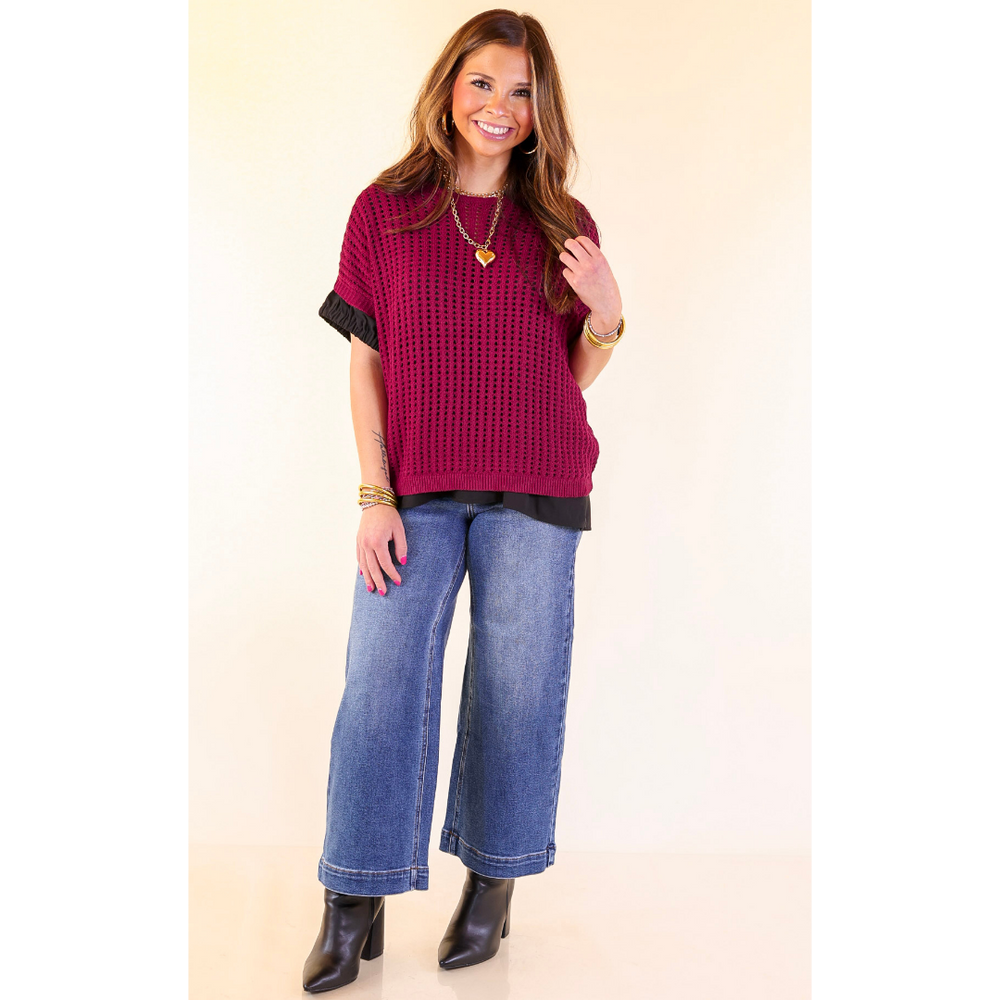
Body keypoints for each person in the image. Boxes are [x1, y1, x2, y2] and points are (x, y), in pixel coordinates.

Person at [304, 9, 625, 992]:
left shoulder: (564, 222)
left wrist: (607, 313)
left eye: (521, 91)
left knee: (517, 693)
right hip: (416, 490)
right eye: (483, 82)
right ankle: (352, 900)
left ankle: (494, 883)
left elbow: (567, 375)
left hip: (539, 482)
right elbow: (366, 365)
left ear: (540, 110)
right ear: (450, 86)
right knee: (381, 684)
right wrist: (375, 494)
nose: (499, 105)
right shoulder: (384, 210)